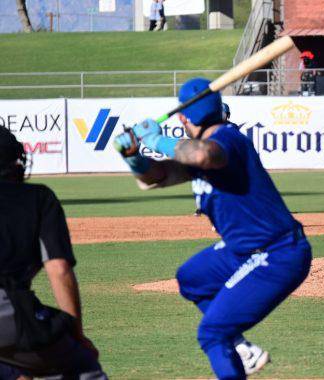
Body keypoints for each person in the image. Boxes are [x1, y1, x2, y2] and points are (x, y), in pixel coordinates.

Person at [113, 78, 312, 379]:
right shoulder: (203, 148)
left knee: (212, 333)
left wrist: (155, 141)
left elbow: (203, 154)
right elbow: (156, 176)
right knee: (191, 278)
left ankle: (230, 343)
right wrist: (134, 157)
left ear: (183, 117)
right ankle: (242, 349)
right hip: (243, 249)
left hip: (277, 252)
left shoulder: (228, 139)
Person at [0, 127, 107, 379]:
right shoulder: (37, 198)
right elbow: (58, 269)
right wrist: (76, 333)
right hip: (8, 312)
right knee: (82, 366)